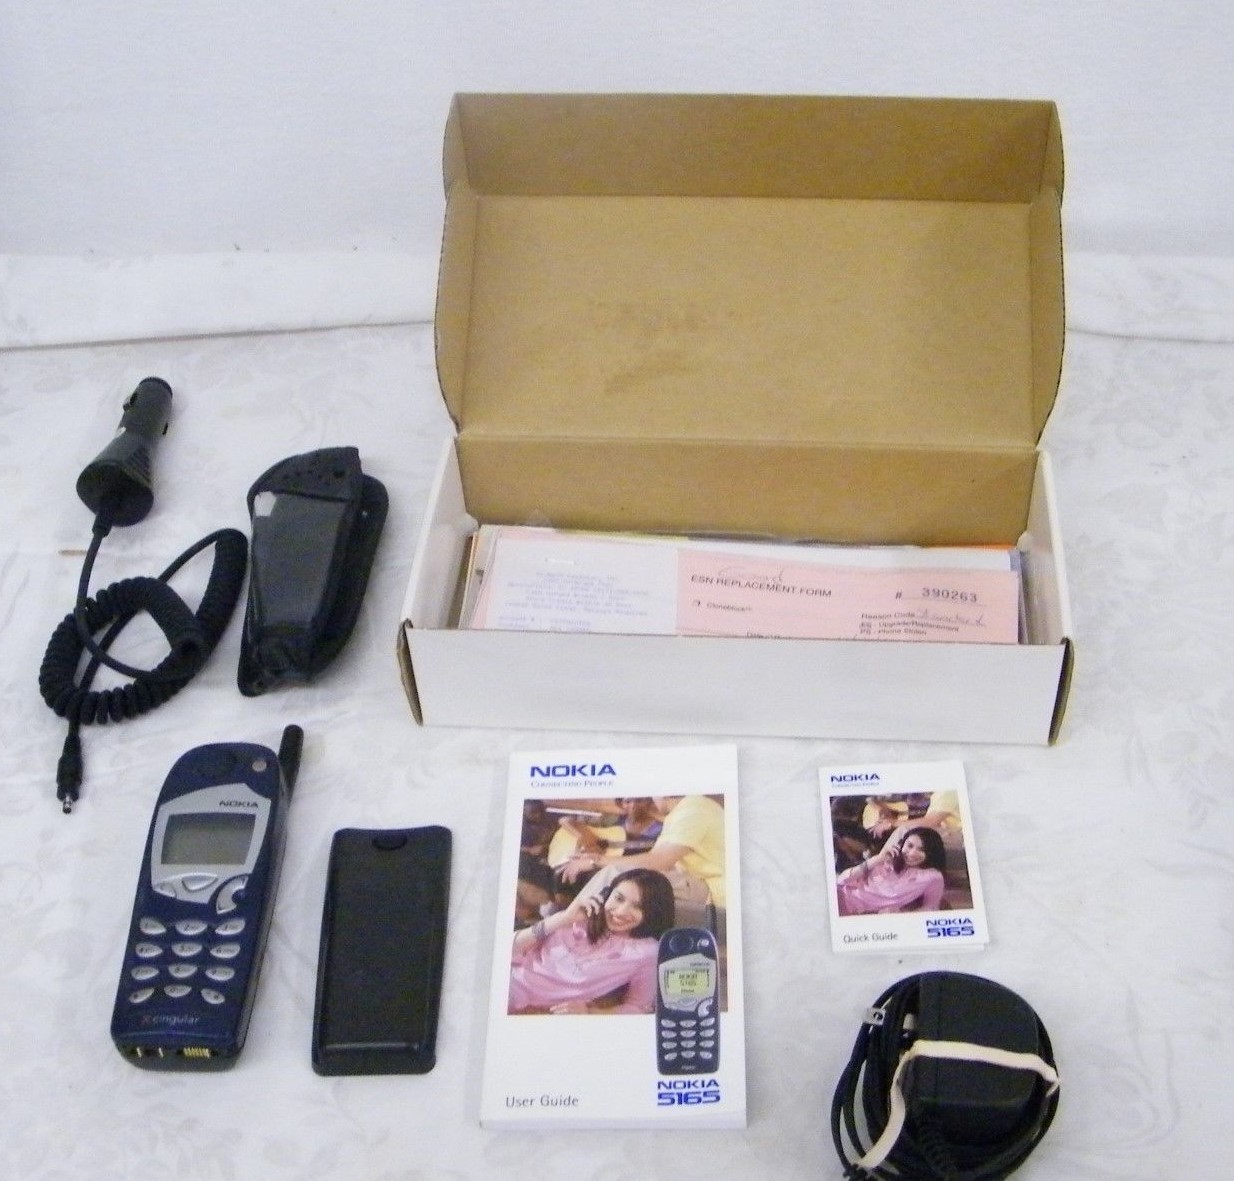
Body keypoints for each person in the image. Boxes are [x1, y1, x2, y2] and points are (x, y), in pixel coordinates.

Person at [508, 867, 676, 1015]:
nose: (620, 912)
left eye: (638, 907)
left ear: (653, 913)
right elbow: (507, 948)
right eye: (618, 898)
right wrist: (564, 918)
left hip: (529, 1007)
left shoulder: (647, 952)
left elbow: (638, 1007)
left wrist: (590, 1013)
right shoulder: (580, 915)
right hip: (507, 976)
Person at [835, 826, 947, 916]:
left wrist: (902, 914)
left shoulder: (932, 876)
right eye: (910, 846)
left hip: (860, 915)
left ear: (931, 853)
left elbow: (931, 907)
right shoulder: (887, 859)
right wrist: (877, 859)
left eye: (921, 849)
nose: (912, 853)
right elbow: (841, 880)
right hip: (840, 896)